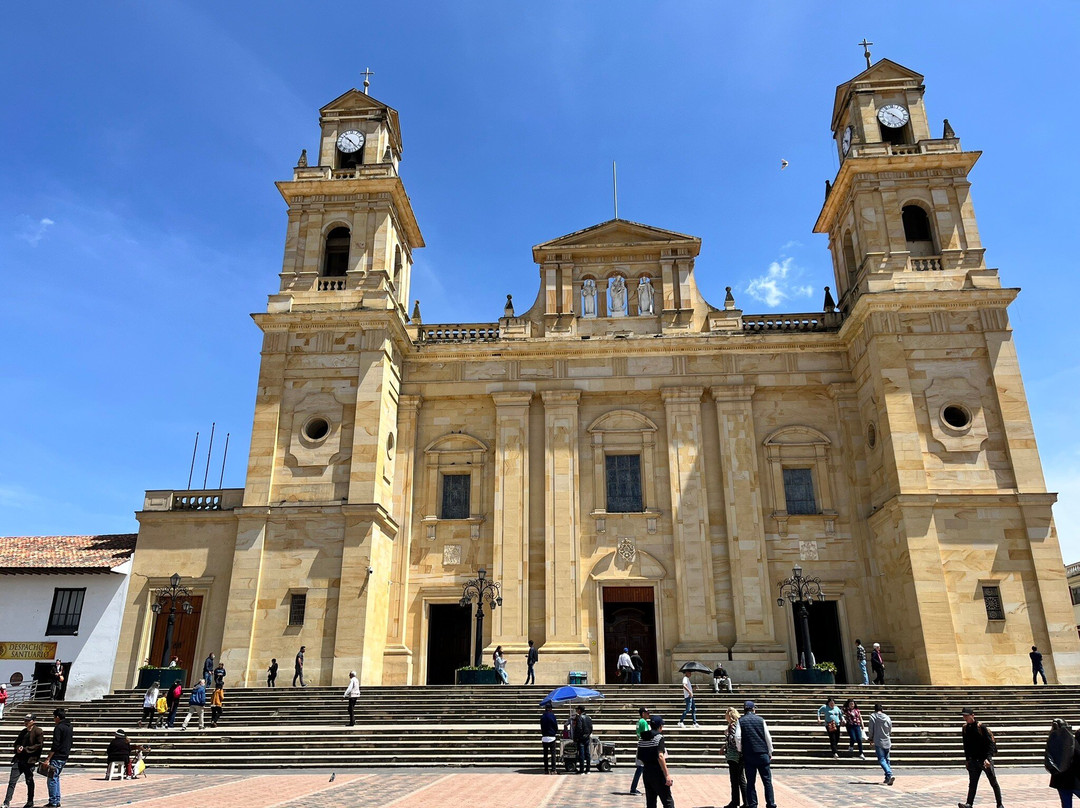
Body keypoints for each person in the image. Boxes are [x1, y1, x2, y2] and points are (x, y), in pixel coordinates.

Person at [959, 706, 1004, 808]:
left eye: (967, 716)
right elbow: (966, 745)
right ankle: (969, 804)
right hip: (973, 760)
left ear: (972, 716)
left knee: (993, 782)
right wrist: (967, 760)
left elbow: (990, 744)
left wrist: (988, 759)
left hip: (984, 760)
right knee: (972, 784)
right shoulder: (965, 728)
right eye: (964, 716)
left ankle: (999, 804)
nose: (965, 718)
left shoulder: (981, 727)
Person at [735, 701, 775, 808]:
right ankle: (771, 803)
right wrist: (770, 751)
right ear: (753, 709)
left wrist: (740, 750)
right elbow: (768, 738)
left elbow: (738, 737)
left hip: (749, 754)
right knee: (767, 781)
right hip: (762, 753)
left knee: (750, 782)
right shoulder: (761, 720)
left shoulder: (740, 721)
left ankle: (753, 804)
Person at [4, 714, 43, 808]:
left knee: (29, 781)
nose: (25, 722)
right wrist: (18, 748)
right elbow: (16, 743)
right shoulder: (23, 732)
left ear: (33, 721)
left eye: (28, 720)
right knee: (12, 781)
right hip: (19, 759)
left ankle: (30, 801)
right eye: (25, 720)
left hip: (29, 761)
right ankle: (6, 802)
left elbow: (39, 745)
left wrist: (26, 749)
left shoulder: (38, 731)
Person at [637, 715, 675, 808]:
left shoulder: (642, 738)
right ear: (660, 726)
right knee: (668, 801)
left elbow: (640, 756)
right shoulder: (659, 738)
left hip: (646, 772)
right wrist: (667, 775)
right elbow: (660, 756)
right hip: (657, 772)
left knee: (651, 802)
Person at [1046, 719, 1080, 807]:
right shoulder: (1071, 741)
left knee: (1066, 804)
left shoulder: (1051, 740)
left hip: (1059, 779)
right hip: (1073, 779)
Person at [43, 708, 72, 808]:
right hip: (64, 755)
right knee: (56, 778)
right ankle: (57, 799)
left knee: (51, 778)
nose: (54, 719)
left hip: (57, 756)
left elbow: (55, 744)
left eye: (54, 717)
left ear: (58, 717)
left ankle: (53, 801)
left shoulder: (59, 728)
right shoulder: (69, 727)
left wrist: (48, 758)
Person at [723, 706, 748, 808]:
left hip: (734, 756)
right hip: (740, 755)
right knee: (740, 778)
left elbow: (734, 739)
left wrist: (727, 735)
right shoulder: (739, 724)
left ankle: (736, 802)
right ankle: (744, 801)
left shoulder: (732, 726)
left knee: (736, 780)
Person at [867, 702, 895, 785]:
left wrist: (870, 738)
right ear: (882, 709)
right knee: (887, 759)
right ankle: (887, 778)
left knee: (882, 759)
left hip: (878, 740)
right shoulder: (887, 717)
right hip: (887, 739)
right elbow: (890, 728)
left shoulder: (873, 717)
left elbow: (871, 729)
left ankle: (889, 774)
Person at [630, 707, 650, 795]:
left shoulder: (639, 722)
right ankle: (633, 789)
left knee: (642, 768)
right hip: (644, 746)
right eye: (647, 713)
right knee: (640, 768)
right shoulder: (643, 722)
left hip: (641, 744)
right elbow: (647, 734)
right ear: (643, 714)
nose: (648, 714)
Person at [573, 705, 593, 774]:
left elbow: (579, 728)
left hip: (581, 738)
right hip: (587, 737)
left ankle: (582, 769)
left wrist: (577, 737)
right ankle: (588, 769)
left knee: (581, 754)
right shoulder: (588, 717)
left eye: (577, 709)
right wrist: (587, 734)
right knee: (587, 753)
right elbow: (591, 728)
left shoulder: (580, 717)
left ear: (579, 710)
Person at [540, 704, 559, 775]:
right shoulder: (552, 716)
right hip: (551, 736)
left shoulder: (543, 716)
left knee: (545, 754)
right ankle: (553, 769)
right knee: (553, 754)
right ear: (550, 709)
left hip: (544, 736)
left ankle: (546, 769)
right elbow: (555, 726)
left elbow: (541, 726)